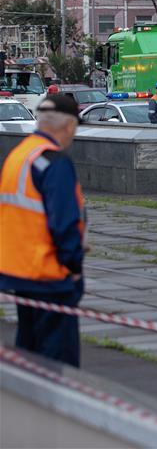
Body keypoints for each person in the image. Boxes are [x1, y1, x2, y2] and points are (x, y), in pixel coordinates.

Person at [0, 94, 87, 367]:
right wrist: (73, 266)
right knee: (56, 361)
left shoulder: (21, 154)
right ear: (69, 126)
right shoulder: (53, 161)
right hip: (49, 274)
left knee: (29, 353)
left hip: (19, 271)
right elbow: (64, 223)